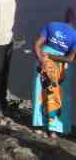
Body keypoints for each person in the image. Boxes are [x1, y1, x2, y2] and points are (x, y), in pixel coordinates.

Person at [32, 8, 76, 138]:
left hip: (42, 62)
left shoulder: (51, 25)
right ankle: (54, 130)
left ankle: (38, 125)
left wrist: (42, 59)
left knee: (40, 93)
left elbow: (37, 45)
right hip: (61, 67)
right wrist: (53, 56)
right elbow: (70, 59)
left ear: (66, 17)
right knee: (59, 96)